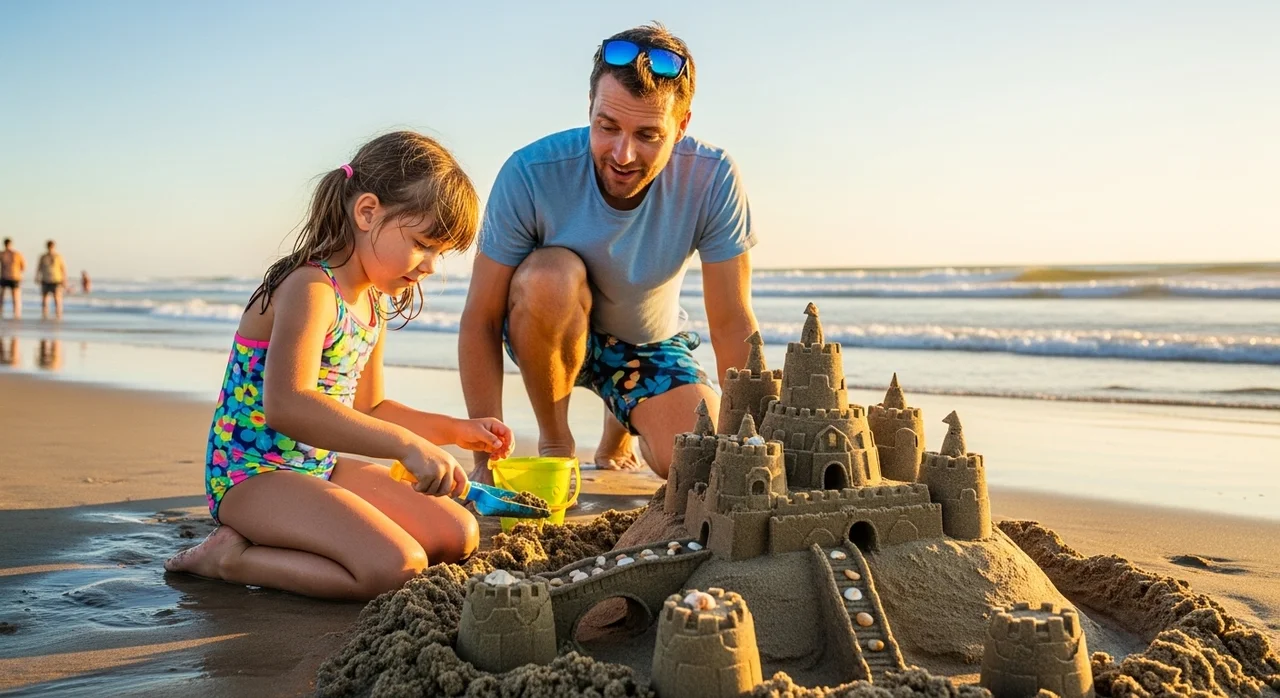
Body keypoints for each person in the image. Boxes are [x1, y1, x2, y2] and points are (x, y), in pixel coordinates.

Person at [165, 131, 514, 600]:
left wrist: (456, 430)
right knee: (397, 567)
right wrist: (406, 447)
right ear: (367, 212)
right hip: (252, 476)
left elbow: (371, 408)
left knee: (457, 534)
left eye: (441, 252)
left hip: (317, 467)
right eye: (423, 243)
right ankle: (229, 558)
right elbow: (288, 405)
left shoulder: (372, 301)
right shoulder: (311, 289)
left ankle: (301, 537)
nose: (431, 265)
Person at [459, 24, 760, 483]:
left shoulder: (713, 177)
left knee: (704, 467)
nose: (622, 154)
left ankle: (620, 424)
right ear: (590, 109)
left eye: (648, 135)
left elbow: (732, 322)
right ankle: (556, 440)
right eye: (607, 127)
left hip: (648, 346)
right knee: (550, 275)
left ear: (681, 127)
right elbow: (480, 316)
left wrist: (754, 443)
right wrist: (485, 459)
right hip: (549, 327)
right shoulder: (530, 173)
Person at [36, 240, 66, 320]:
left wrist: (64, 280)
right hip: (45, 279)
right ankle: (44, 314)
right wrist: (37, 276)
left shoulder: (58, 256)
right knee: (44, 298)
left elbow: (63, 268)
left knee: (57, 298)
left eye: (52, 246)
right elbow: (39, 267)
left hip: (56, 279)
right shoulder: (43, 257)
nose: (50, 248)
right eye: (49, 246)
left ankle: (58, 314)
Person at [0, 238, 24, 320]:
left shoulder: (15, 254)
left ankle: (16, 312)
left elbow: (22, 266)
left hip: (11, 277)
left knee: (14, 296)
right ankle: (15, 312)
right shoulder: (3, 254)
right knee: (4, 296)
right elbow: (23, 266)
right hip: (8, 277)